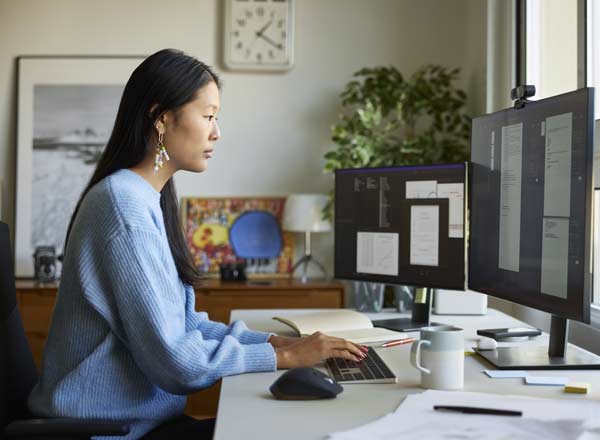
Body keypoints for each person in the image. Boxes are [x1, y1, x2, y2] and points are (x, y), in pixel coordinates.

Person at [27, 49, 366, 440]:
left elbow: (183, 325)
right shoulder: (123, 208)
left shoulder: (142, 198)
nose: (216, 131)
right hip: (112, 431)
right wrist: (284, 357)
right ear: (162, 118)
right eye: (208, 116)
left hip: (139, 424)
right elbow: (176, 363)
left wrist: (278, 341)